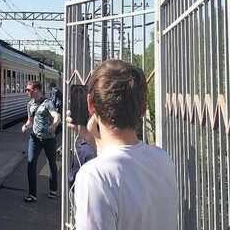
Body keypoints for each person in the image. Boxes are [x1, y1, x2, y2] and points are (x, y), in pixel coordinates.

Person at [66, 60, 176, 230]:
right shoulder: (163, 159)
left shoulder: (93, 177)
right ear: (143, 107)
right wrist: (91, 138)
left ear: (90, 104)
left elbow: (113, 164)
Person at [22, 80, 61, 202]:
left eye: (28, 90)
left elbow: (57, 116)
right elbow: (30, 120)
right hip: (35, 138)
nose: (26, 92)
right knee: (30, 163)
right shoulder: (30, 104)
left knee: (51, 164)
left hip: (49, 139)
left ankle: (53, 190)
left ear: (36, 90)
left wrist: (54, 125)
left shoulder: (48, 103)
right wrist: (26, 126)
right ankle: (32, 194)